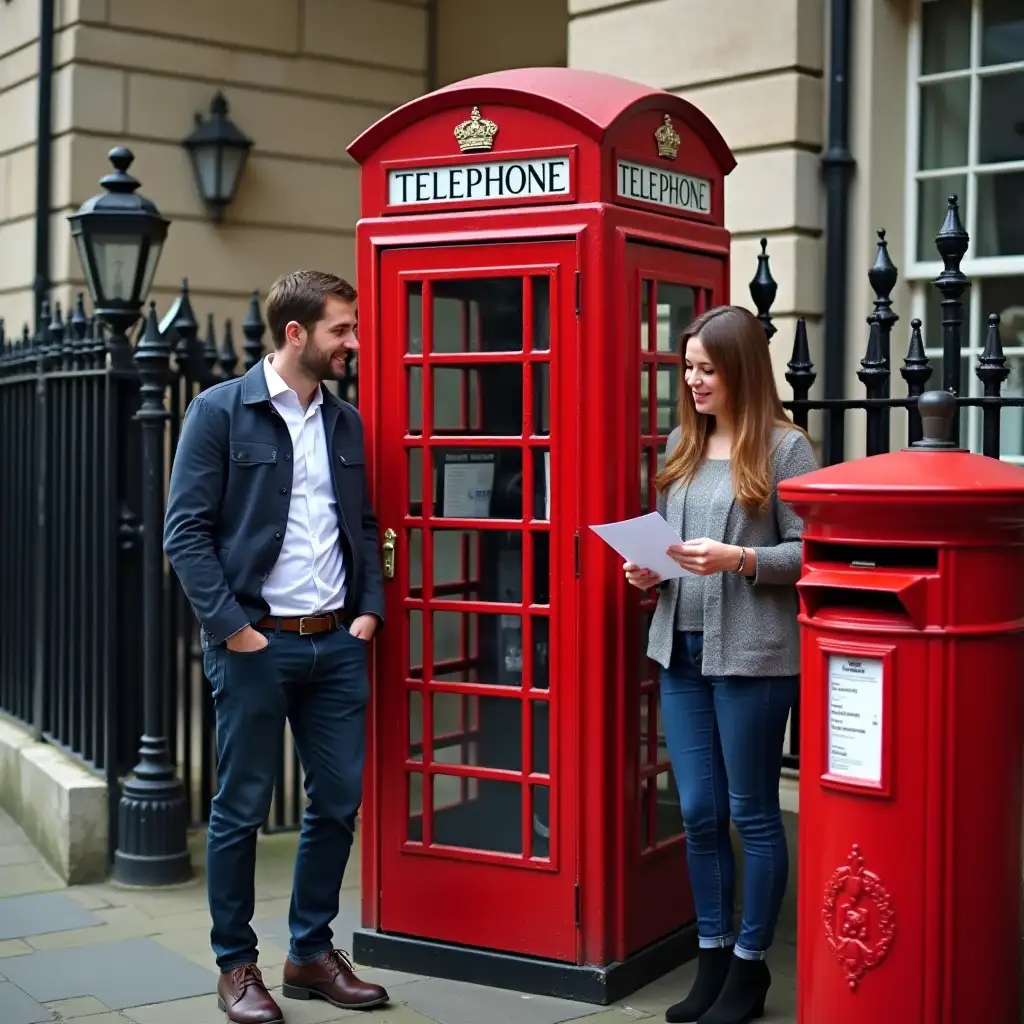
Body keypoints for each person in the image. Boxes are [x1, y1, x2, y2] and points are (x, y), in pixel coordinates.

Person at [164, 271, 388, 1024]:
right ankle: (236, 965)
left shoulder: (346, 422)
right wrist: (237, 630)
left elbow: (364, 525)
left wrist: (368, 613)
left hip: (337, 643)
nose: (353, 342)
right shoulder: (220, 413)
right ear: (296, 334)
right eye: (341, 330)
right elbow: (185, 534)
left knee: (337, 802)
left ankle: (310, 953)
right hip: (257, 645)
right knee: (240, 810)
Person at [624, 306, 816, 1024]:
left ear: (739, 369)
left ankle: (749, 967)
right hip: (681, 647)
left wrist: (740, 559)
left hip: (755, 657)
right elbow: (671, 549)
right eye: (688, 367)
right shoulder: (682, 442)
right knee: (699, 813)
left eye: (706, 368)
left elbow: (810, 553)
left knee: (752, 813)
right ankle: (711, 955)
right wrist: (648, 573)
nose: (693, 380)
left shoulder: (786, 449)